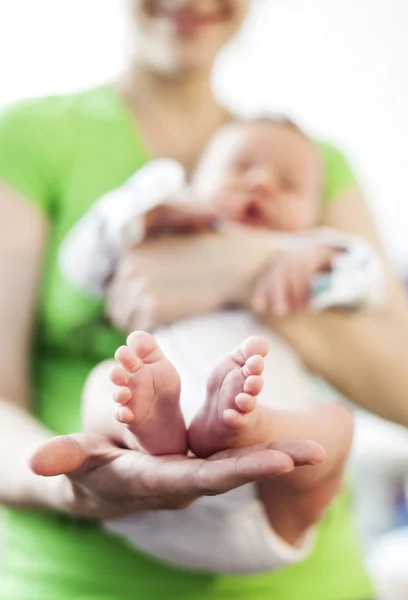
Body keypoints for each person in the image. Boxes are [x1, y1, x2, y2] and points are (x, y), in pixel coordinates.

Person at [0, 0, 406, 598]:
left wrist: (260, 265)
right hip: (100, 544)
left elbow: (370, 289)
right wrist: (140, 222)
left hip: (283, 538)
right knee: (107, 384)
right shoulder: (47, 145)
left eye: (287, 186)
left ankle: (242, 426)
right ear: (193, 180)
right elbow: (85, 265)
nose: (263, 183)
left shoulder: (317, 176)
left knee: (331, 428)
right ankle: (153, 426)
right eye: (240, 170)